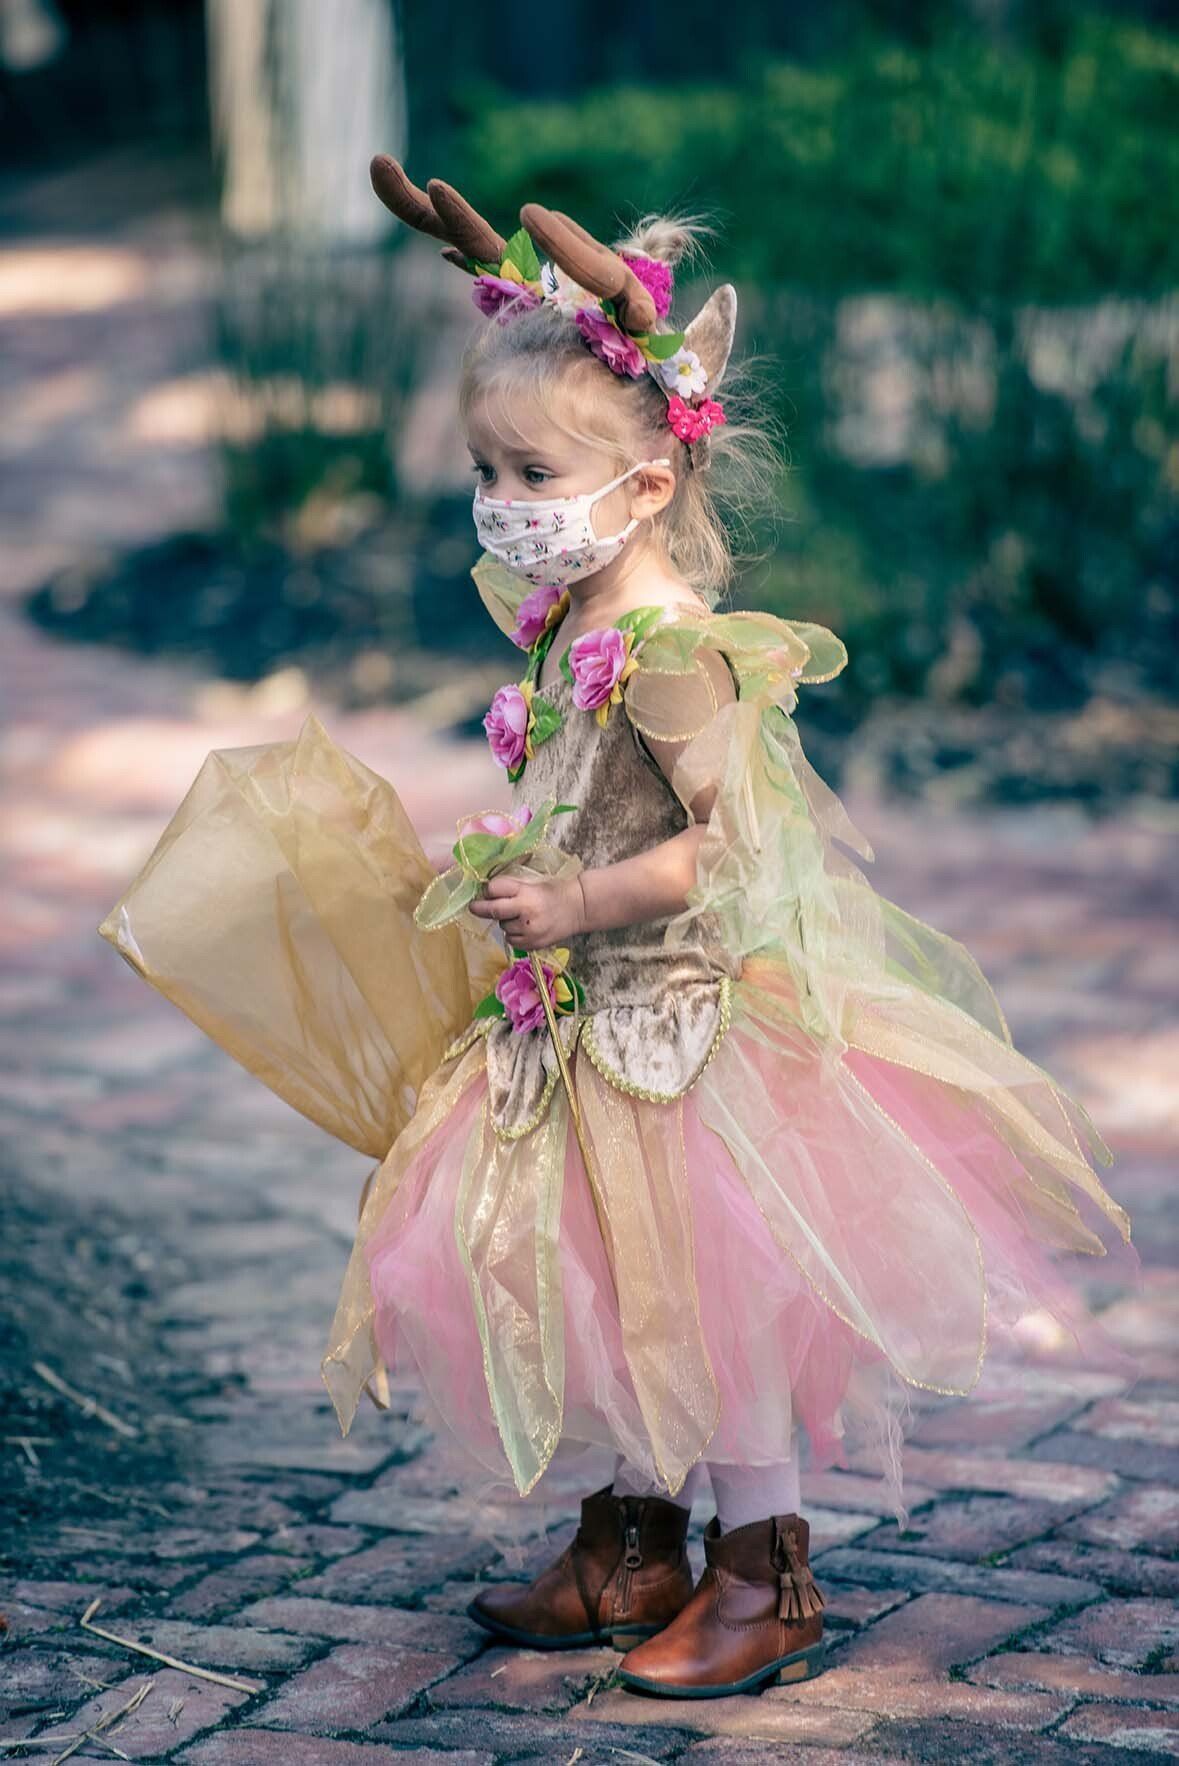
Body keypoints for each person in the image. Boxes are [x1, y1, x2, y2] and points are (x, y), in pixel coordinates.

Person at [101, 159, 1136, 1700]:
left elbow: (727, 849)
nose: (502, 503)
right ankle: (633, 1544)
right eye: (487, 467)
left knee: (709, 1302)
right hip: (584, 1021)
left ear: (646, 486)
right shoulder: (573, 613)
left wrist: (579, 897)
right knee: (600, 1286)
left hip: (681, 1034)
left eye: (534, 473)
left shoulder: (665, 650)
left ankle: (763, 1571)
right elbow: (588, 799)